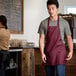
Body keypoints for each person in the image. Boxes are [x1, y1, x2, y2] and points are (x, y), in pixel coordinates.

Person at [38, 0, 73, 76]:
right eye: (49, 8)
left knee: (60, 74)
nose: (50, 11)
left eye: (53, 8)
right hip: (49, 53)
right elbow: (41, 39)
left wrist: (71, 51)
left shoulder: (64, 23)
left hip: (60, 53)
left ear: (57, 9)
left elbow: (69, 38)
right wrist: (42, 53)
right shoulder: (43, 23)